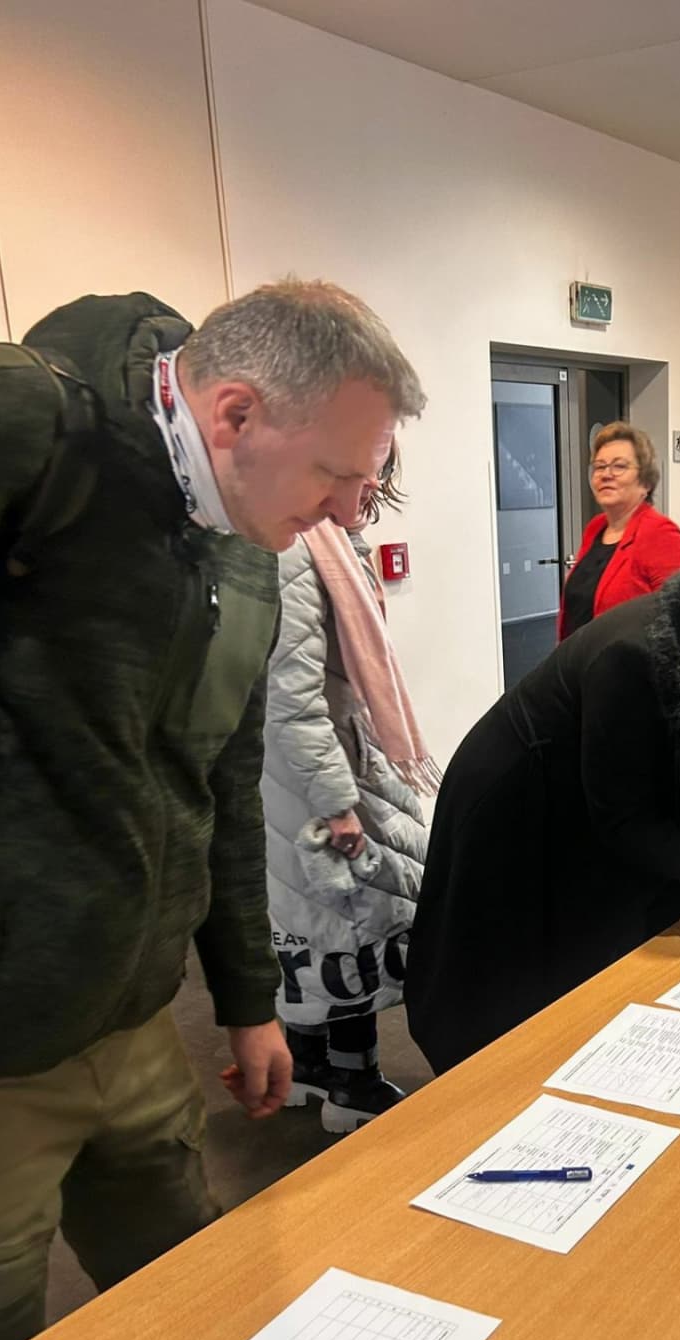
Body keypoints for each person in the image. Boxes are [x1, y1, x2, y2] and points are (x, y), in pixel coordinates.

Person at [0, 278, 424, 1340]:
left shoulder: (244, 546)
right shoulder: (27, 428)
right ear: (234, 412)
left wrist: (245, 997)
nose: (352, 511)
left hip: (130, 1024)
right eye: (339, 475)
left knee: (198, 1294)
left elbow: (223, 784)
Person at [407, 551, 680, 1073]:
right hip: (522, 803)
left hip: (596, 793)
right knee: (521, 989)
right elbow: (624, 820)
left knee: (627, 946)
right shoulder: (634, 655)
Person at [262, 446, 439, 1132]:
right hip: (322, 775)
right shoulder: (301, 549)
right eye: (364, 465)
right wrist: (338, 803)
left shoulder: (327, 538)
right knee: (346, 927)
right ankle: (351, 1083)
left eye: (382, 468)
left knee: (319, 926)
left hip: (326, 765)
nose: (373, 483)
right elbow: (296, 698)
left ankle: (309, 1064)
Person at [558, 421, 680, 638]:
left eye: (619, 466)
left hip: (626, 659)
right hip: (579, 656)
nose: (606, 474)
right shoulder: (596, 528)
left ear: (645, 483)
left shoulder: (659, 533)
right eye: (599, 467)